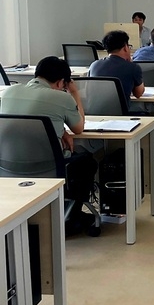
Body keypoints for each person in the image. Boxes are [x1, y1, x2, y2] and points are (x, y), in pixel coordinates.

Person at [0, 56, 98, 233]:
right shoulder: (61, 98)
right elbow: (79, 128)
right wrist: (74, 93)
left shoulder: (8, 92)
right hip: (47, 166)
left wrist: (60, 132)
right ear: (62, 83)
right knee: (87, 161)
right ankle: (71, 216)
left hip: (8, 166)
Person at [89, 30, 145, 109]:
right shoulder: (132, 67)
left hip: (95, 114)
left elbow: (88, 92)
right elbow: (138, 94)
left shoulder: (94, 65)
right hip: (121, 116)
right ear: (125, 47)